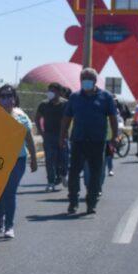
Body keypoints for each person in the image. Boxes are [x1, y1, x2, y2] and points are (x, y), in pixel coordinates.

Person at [60, 68, 118, 215]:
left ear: (94, 80)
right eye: (83, 78)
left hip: (97, 142)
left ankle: (91, 203)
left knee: (95, 174)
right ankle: (73, 202)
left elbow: (112, 118)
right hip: (78, 141)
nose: (85, 81)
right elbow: (67, 118)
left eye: (88, 78)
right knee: (74, 173)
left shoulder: (106, 97)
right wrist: (62, 136)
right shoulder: (74, 97)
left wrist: (115, 136)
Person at [0, 84, 37, 238]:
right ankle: (0, 217)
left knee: (10, 192)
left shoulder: (22, 117)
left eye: (9, 96)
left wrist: (34, 159)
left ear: (15, 99)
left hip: (17, 160)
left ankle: (9, 225)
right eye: (3, 96)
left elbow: (29, 140)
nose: (6, 99)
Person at [35, 82, 67, 191]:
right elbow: (37, 118)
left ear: (59, 92)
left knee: (64, 158)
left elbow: (71, 119)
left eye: (53, 91)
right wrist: (41, 131)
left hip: (63, 136)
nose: (50, 93)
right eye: (49, 91)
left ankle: (63, 174)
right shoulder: (43, 105)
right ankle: (51, 182)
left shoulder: (65, 104)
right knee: (49, 159)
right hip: (49, 136)